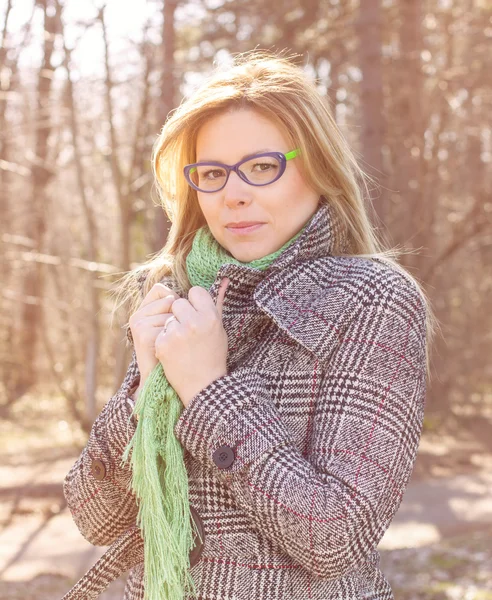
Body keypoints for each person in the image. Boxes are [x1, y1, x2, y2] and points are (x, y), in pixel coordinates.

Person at [60, 50, 436, 600]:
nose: (233, 193)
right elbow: (97, 521)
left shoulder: (374, 301)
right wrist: (146, 391)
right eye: (212, 173)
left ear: (319, 166)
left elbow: (334, 540)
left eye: (262, 166)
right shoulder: (184, 296)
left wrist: (210, 392)